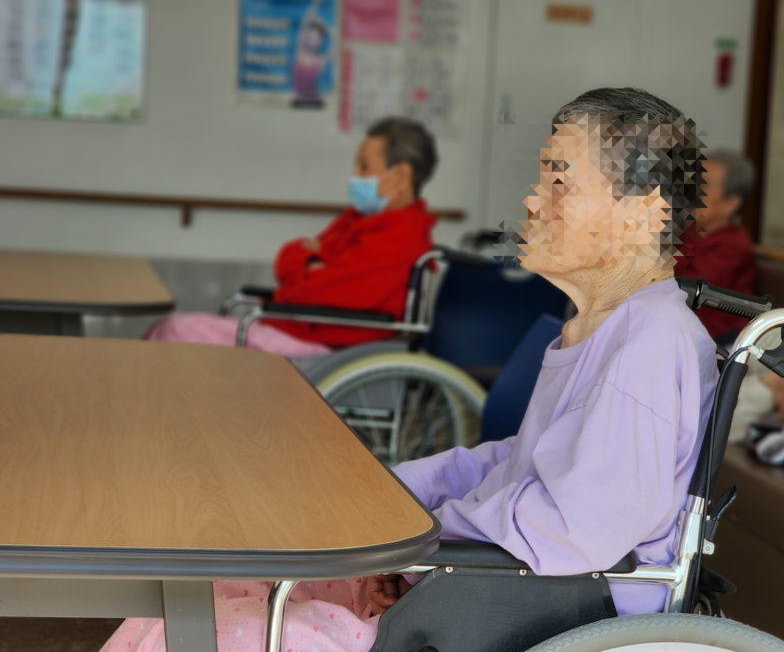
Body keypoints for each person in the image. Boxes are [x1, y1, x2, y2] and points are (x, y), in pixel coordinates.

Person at [101, 87, 719, 652]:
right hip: (492, 577)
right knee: (218, 582)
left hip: (540, 605)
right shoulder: (608, 328)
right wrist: (392, 497)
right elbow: (519, 464)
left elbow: (579, 528)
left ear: (642, 214)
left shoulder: (649, 341)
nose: (533, 199)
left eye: (559, 181)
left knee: (211, 631)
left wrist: (423, 549)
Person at [143, 117, 437, 354]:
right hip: (294, 329)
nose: (355, 175)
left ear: (400, 176)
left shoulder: (400, 236)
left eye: (363, 167)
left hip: (323, 347)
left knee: (175, 332)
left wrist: (310, 268)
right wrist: (311, 267)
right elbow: (288, 258)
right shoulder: (360, 219)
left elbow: (316, 291)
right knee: (166, 328)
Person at [673, 149, 757, 345]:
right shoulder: (683, 232)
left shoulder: (733, 244)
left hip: (717, 343)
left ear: (731, 203)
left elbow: (686, 291)